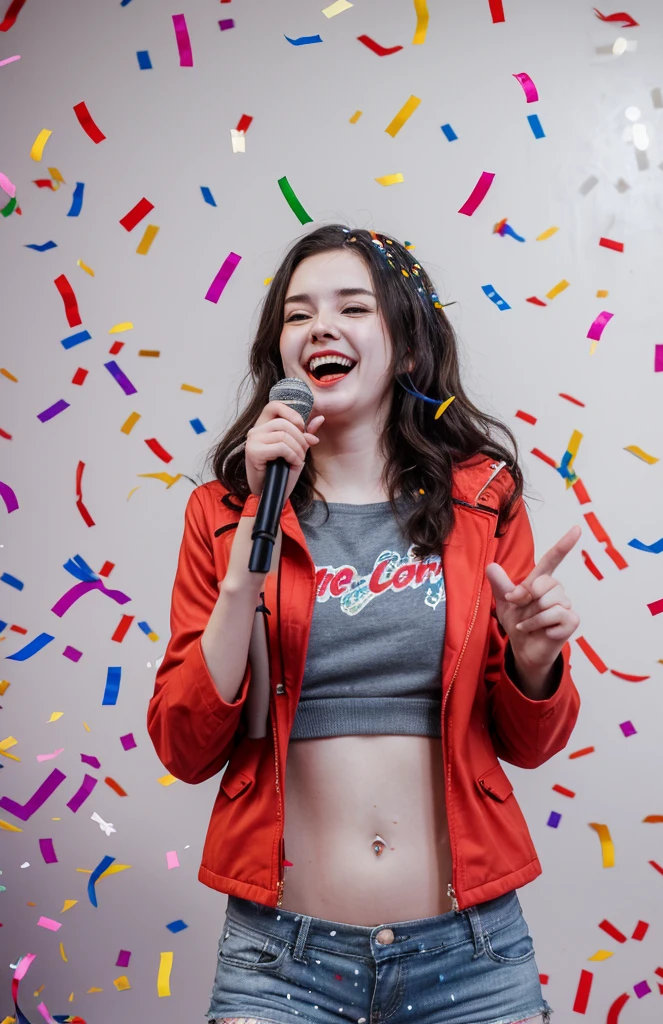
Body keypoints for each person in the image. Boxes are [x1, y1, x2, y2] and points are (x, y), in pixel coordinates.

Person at [147, 224, 582, 1024]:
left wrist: (531, 662)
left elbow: (530, 742)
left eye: (353, 306)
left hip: (472, 956)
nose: (321, 327)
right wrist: (246, 568)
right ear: (282, 356)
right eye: (298, 313)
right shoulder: (222, 513)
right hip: (281, 964)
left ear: (407, 347)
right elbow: (184, 746)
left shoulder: (484, 500)